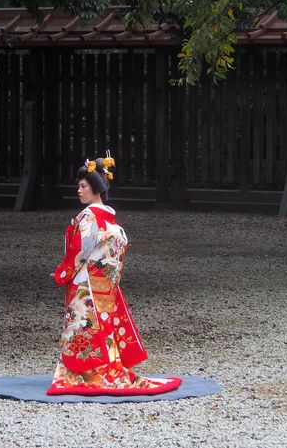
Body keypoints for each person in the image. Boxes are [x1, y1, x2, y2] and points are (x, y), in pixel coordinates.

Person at [47, 154, 183, 396]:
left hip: (84, 282)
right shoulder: (112, 222)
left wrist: (62, 273)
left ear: (96, 189)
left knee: (82, 327)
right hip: (104, 286)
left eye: (83, 186)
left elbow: (81, 250)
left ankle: (81, 373)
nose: (78, 191)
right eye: (78, 186)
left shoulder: (89, 216)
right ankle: (102, 370)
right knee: (101, 330)